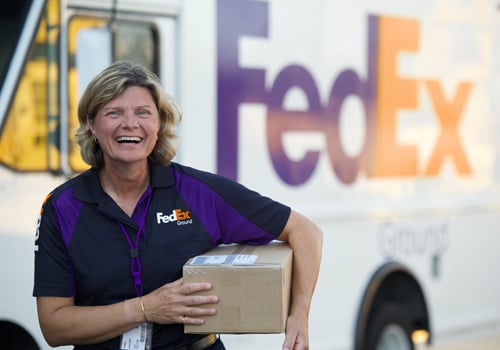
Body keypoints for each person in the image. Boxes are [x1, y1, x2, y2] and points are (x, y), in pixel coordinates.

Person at [33, 61, 323, 350]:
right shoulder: (62, 208)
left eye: (143, 113)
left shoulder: (196, 192)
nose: (130, 124)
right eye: (114, 113)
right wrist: (147, 308)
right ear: (91, 125)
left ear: (159, 124)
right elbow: (54, 326)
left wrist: (299, 315)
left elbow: (305, 231)